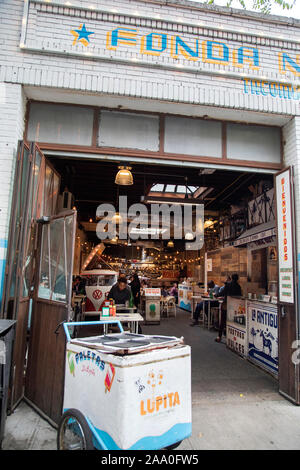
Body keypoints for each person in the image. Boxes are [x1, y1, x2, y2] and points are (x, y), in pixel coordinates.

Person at [215, 273, 242, 343]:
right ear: (237, 279)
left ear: (232, 278)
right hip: (235, 306)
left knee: (223, 320)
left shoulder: (228, 285)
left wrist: (216, 295)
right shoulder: (238, 286)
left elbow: (223, 292)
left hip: (226, 304)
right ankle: (231, 337)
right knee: (233, 321)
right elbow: (240, 295)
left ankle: (219, 336)